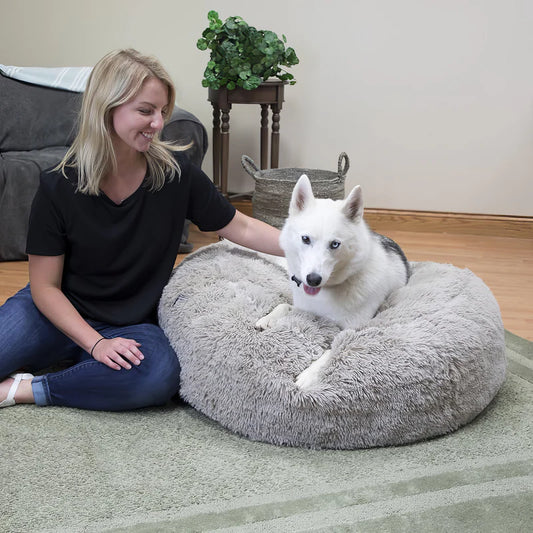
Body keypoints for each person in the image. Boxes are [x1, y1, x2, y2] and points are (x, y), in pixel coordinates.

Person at [0, 49, 283, 411]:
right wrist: (94, 344)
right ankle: (84, 365)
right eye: (146, 111)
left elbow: (238, 225)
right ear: (108, 108)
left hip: (128, 324)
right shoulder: (59, 185)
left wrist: (312, 248)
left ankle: (27, 388)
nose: (158, 123)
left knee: (158, 376)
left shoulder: (178, 175)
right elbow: (44, 287)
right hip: (53, 312)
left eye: (162, 112)